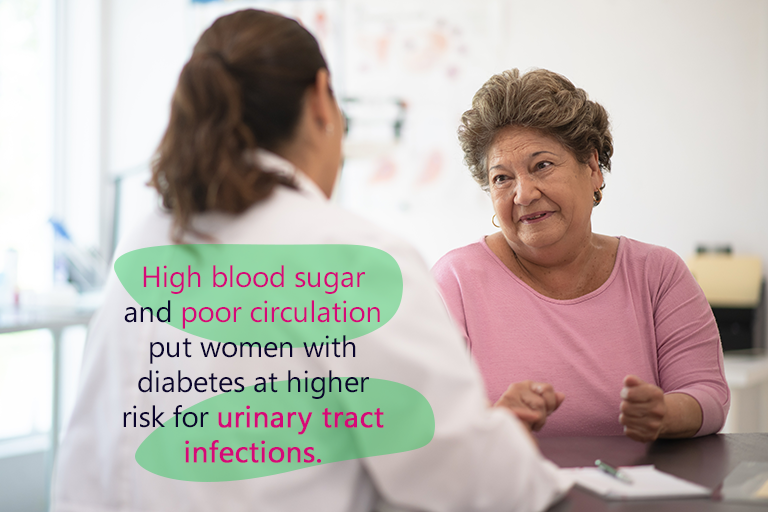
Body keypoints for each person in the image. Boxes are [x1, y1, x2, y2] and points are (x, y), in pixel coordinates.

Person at [51, 11, 571, 512]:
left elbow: (84, 474)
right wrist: (511, 448)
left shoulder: (143, 250)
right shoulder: (347, 258)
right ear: (323, 100)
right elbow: (465, 481)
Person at [432, 68, 730, 442]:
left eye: (542, 165)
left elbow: (708, 394)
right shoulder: (454, 280)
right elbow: (421, 419)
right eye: (502, 178)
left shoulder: (658, 274)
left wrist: (665, 414)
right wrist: (493, 423)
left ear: (591, 168)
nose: (523, 194)